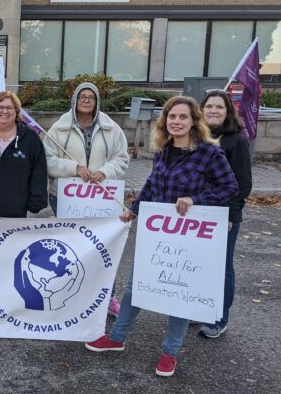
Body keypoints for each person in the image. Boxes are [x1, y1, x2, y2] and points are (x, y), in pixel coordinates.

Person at [85, 96, 237, 377]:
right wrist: (134, 209)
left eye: (182, 117)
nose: (176, 122)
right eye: (171, 117)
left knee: (179, 294)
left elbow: (230, 187)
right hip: (157, 235)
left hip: (188, 237)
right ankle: (116, 338)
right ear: (164, 121)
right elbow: (152, 186)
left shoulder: (209, 153)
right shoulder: (163, 151)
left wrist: (195, 199)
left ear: (194, 121)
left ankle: (170, 352)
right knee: (137, 287)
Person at [43, 82, 129, 316]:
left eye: (91, 97)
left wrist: (106, 172)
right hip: (65, 197)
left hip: (101, 199)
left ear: (97, 101)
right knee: (72, 249)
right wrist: (74, 167)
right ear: (74, 100)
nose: (87, 100)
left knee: (103, 249)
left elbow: (122, 158)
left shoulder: (112, 129)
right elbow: (47, 160)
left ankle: (107, 296)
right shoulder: (59, 129)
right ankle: (72, 295)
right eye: (83, 96)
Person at [198, 90, 252, 338]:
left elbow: (242, 183)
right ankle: (196, 309)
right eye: (209, 106)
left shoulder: (236, 142)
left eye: (219, 107)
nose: (213, 111)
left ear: (228, 111)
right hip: (197, 212)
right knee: (198, 265)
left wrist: (231, 214)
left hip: (223, 216)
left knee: (222, 268)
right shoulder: (197, 137)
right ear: (202, 109)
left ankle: (220, 317)